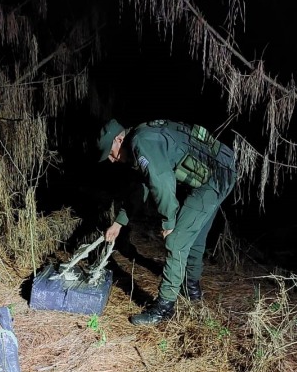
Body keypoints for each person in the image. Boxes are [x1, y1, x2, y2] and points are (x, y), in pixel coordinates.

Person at [97, 118, 236, 326]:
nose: (111, 159)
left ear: (119, 139)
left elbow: (162, 182)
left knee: (176, 241)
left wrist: (169, 222)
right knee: (195, 236)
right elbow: (142, 188)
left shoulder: (141, 143)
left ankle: (164, 308)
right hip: (222, 170)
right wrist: (118, 223)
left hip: (214, 177)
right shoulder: (142, 137)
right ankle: (192, 290)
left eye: (109, 152)